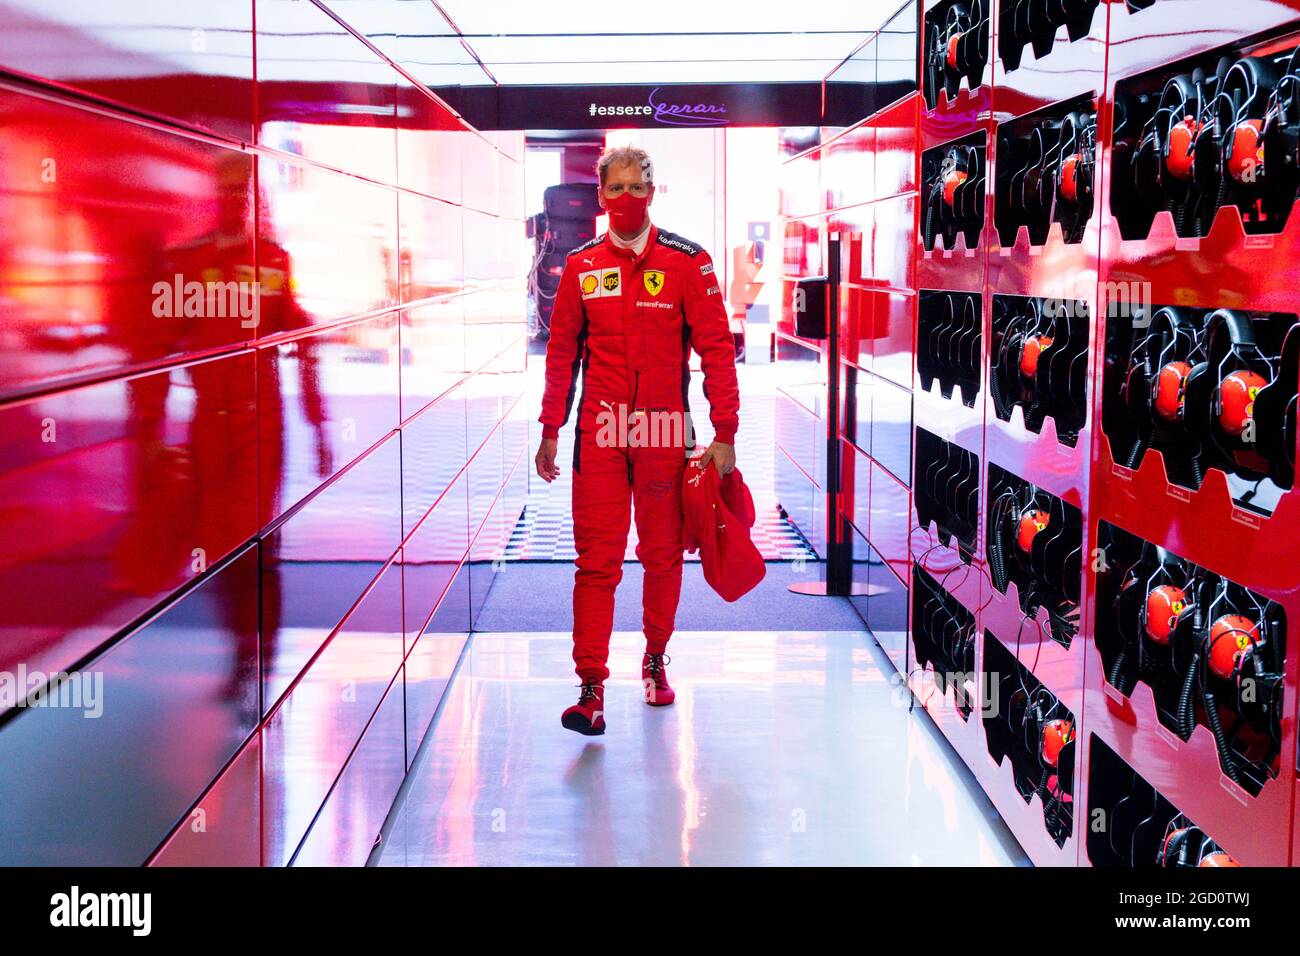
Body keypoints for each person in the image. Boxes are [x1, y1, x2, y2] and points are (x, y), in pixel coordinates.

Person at [535, 145, 741, 736]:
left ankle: (654, 659)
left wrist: (724, 432)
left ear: (652, 193)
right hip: (598, 436)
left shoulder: (688, 262)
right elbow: (561, 355)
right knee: (595, 563)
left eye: (636, 187)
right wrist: (550, 429)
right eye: (615, 188)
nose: (625, 198)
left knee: (661, 556)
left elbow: (717, 349)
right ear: (600, 196)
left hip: (663, 433)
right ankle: (591, 688)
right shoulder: (580, 266)